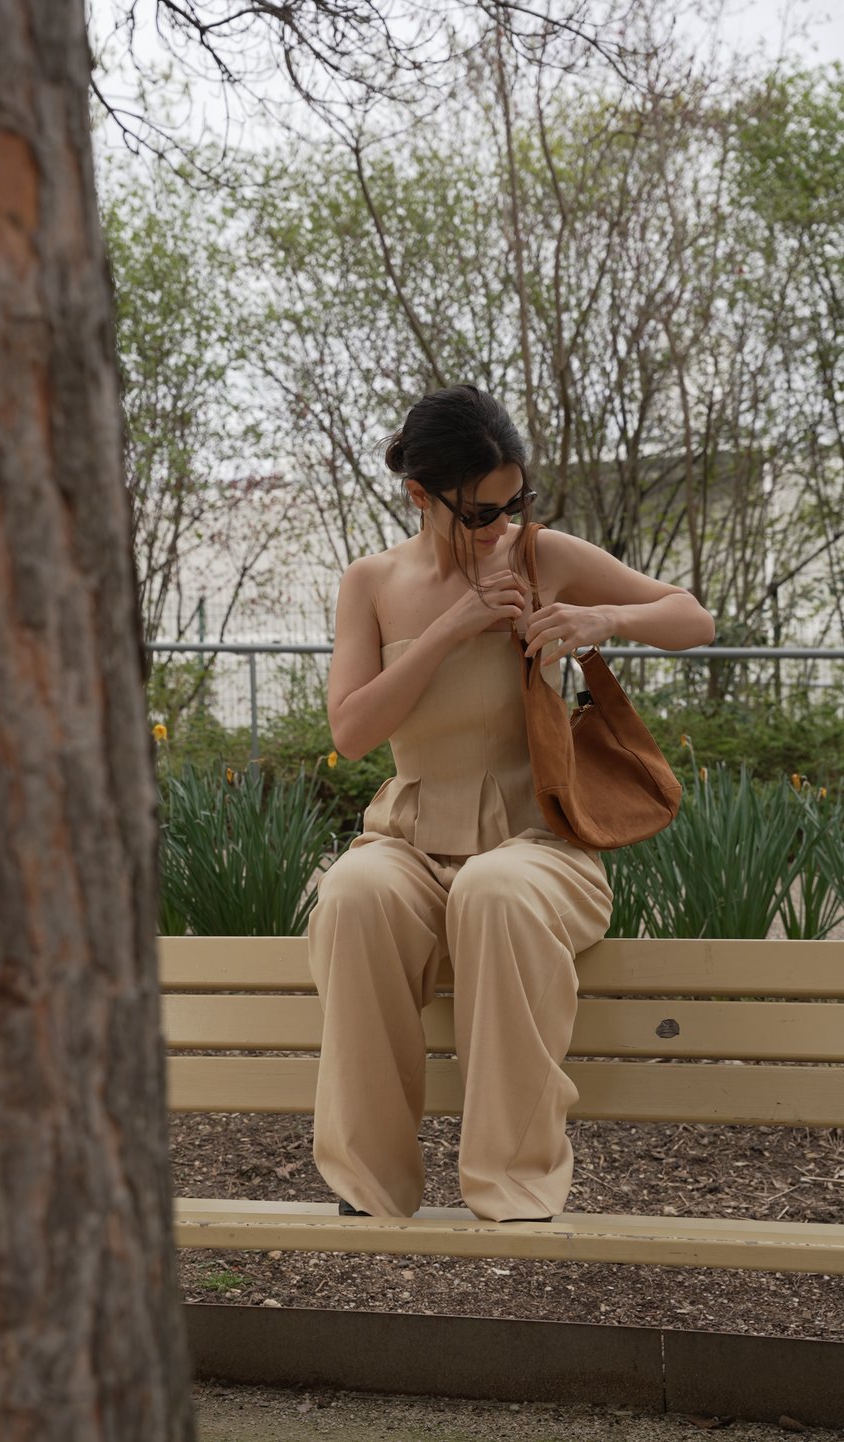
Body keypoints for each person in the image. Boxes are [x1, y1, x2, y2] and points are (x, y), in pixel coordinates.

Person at [308, 384, 715, 1223]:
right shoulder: (371, 582)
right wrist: (450, 630)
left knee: (494, 889)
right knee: (351, 894)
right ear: (419, 497)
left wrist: (602, 618)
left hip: (538, 843)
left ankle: (514, 1183)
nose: (500, 527)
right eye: (479, 513)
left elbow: (692, 618)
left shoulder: (541, 555)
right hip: (409, 839)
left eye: (514, 503)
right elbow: (351, 731)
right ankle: (369, 1184)